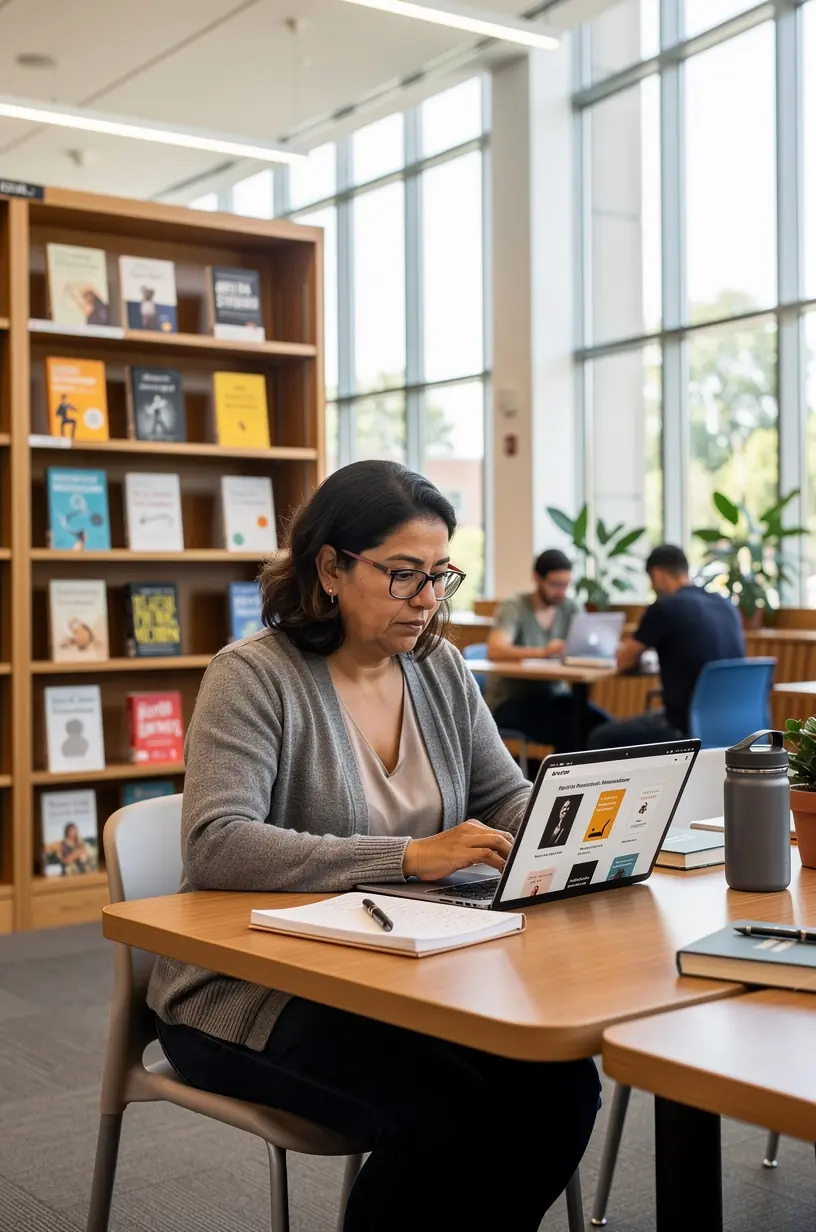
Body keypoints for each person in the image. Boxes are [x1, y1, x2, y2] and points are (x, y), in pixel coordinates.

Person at [147, 461, 599, 1232]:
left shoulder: (440, 669)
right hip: (251, 992)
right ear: (330, 567)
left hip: (406, 972)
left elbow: (503, 798)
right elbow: (219, 845)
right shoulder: (253, 676)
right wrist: (407, 856)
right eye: (403, 576)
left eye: (439, 575)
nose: (427, 600)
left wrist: (575, 830)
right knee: (446, 1117)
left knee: (560, 1088)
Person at [588, 543, 745, 749]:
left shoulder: (664, 607)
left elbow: (624, 661)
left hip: (684, 725)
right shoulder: (726, 605)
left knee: (600, 737)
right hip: (735, 721)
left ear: (657, 574)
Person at [485, 548, 608, 751]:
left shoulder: (570, 607)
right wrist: (544, 652)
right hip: (512, 700)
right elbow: (495, 650)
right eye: (555, 584)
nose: (561, 591)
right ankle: (567, 782)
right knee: (571, 730)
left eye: (566, 584)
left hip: (555, 695)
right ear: (537, 579)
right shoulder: (515, 606)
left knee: (602, 727)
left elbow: (587, 644)